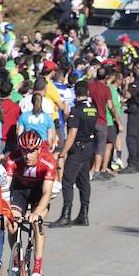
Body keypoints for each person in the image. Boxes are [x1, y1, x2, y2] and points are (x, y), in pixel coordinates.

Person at [2, 130, 56, 276]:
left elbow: (47, 193)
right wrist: (8, 211)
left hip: (39, 191)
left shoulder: (48, 162)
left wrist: (37, 213)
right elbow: (6, 187)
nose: (28, 155)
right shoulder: (12, 159)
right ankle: (17, 264)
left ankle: (37, 270)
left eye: (32, 151)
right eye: (24, 151)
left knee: (37, 223)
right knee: (12, 222)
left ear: (39, 149)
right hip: (20, 190)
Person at [51, 80, 98, 228]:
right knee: (84, 181)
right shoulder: (93, 109)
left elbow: (71, 135)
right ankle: (84, 214)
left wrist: (63, 153)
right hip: (89, 147)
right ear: (87, 92)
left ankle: (66, 215)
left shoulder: (76, 111)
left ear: (75, 93)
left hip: (77, 149)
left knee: (67, 181)